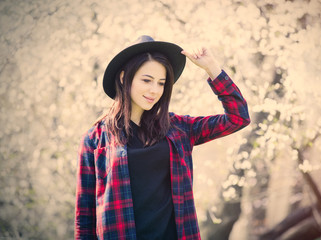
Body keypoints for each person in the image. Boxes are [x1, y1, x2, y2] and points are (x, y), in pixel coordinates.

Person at [75, 35, 250, 240]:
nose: (154, 90)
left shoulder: (178, 129)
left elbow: (239, 117)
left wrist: (212, 67)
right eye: (147, 80)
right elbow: (84, 218)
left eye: (161, 83)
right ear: (124, 78)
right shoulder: (96, 140)